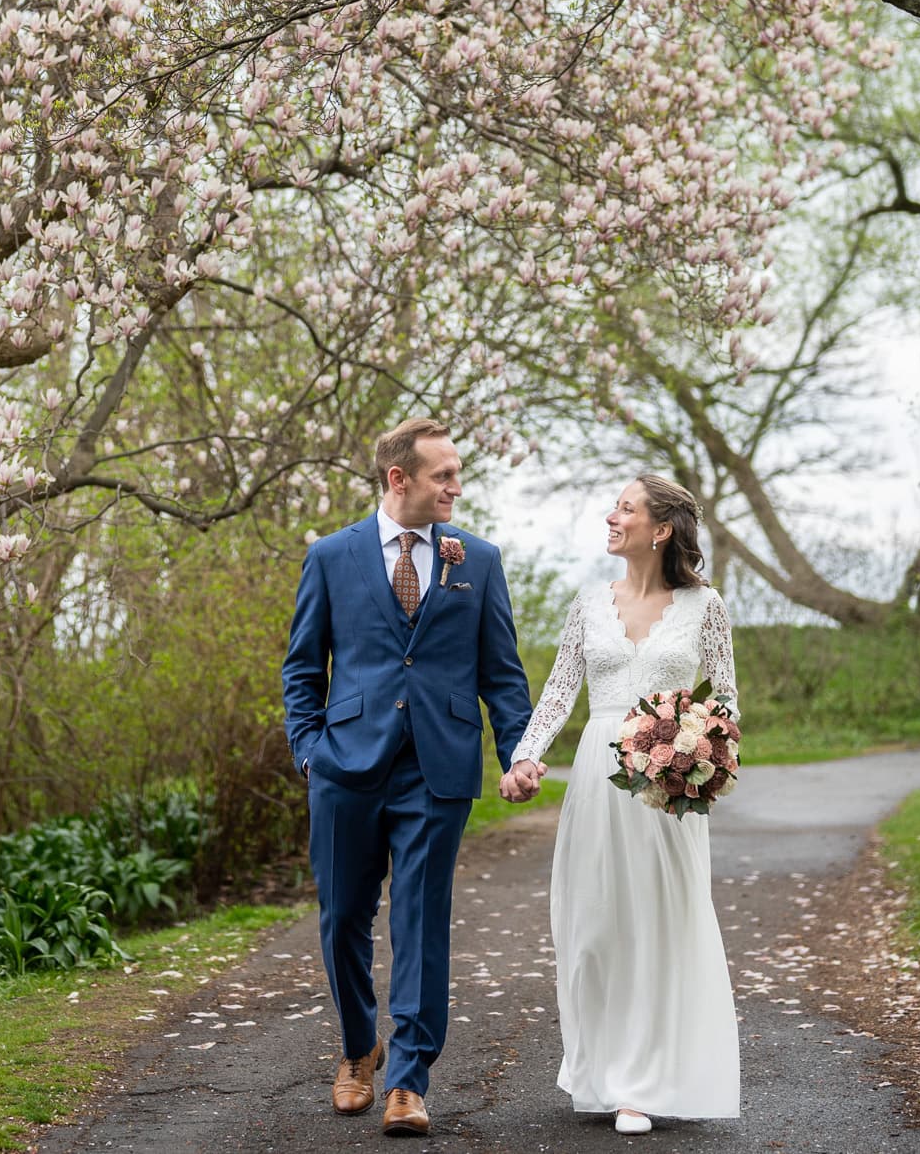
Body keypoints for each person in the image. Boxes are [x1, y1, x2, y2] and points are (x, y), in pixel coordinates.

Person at [281, 417, 542, 1138]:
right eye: (443, 475)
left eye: (457, 473)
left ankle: (408, 1078)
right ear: (400, 479)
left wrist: (517, 751)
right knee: (341, 920)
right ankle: (359, 1048)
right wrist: (309, 750)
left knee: (420, 920)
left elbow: (503, 675)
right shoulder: (331, 556)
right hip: (346, 765)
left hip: (439, 765)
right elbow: (302, 667)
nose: (456, 486)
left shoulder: (478, 560)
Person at [513, 473, 742, 1135]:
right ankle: (600, 1067)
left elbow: (725, 699)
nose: (611, 516)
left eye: (626, 508)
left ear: (660, 528)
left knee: (661, 921)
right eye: (614, 505)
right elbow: (559, 691)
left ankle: (644, 1080)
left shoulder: (706, 606)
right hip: (597, 777)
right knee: (595, 924)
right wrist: (527, 754)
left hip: (669, 788)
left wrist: (704, 755)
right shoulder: (589, 603)